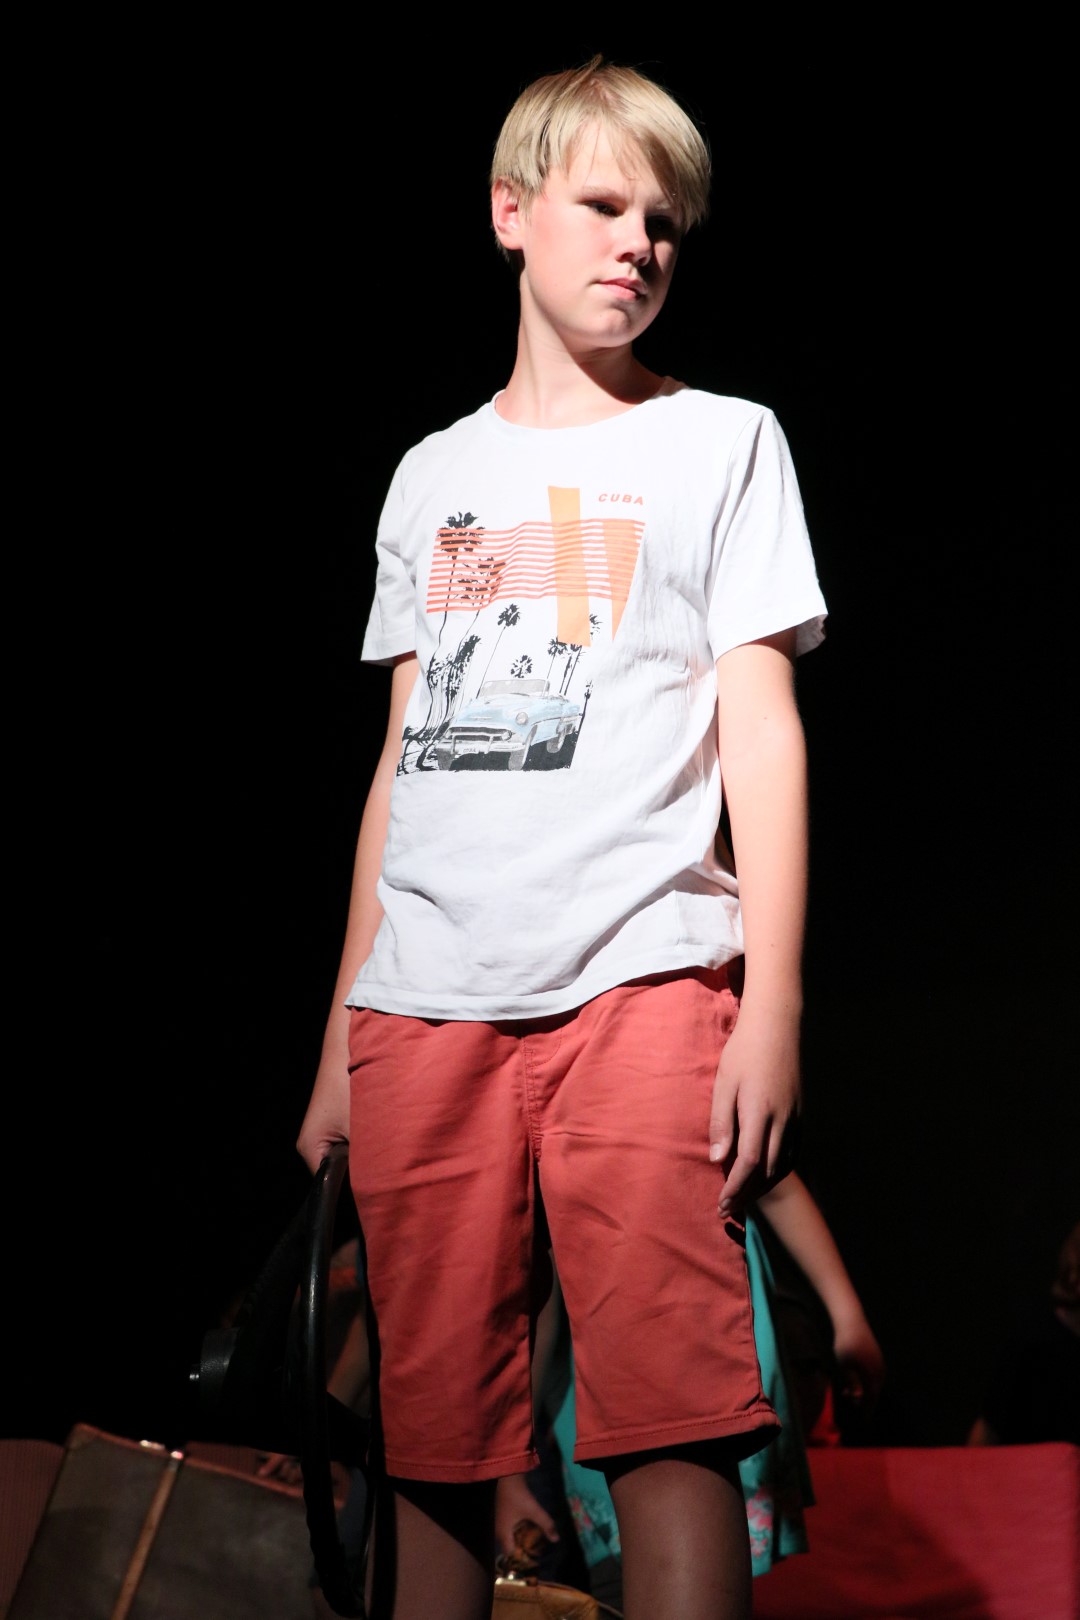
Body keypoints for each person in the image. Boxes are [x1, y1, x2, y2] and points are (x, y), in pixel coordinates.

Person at [296, 56, 828, 1620]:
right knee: (432, 1445)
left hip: (644, 982)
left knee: (676, 1424)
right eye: (605, 205)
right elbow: (405, 764)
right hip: (424, 1004)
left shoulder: (724, 442)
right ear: (510, 212)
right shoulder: (432, 477)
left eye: (665, 222)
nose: (639, 244)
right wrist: (340, 1031)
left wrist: (772, 1004)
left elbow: (762, 730)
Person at [495, 1172, 885, 1609]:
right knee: (627, 1569)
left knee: (704, 1564)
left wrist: (849, 1319)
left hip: (719, 1358)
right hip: (612, 1373)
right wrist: (509, 1474)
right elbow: (540, 1285)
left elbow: (779, 1188)